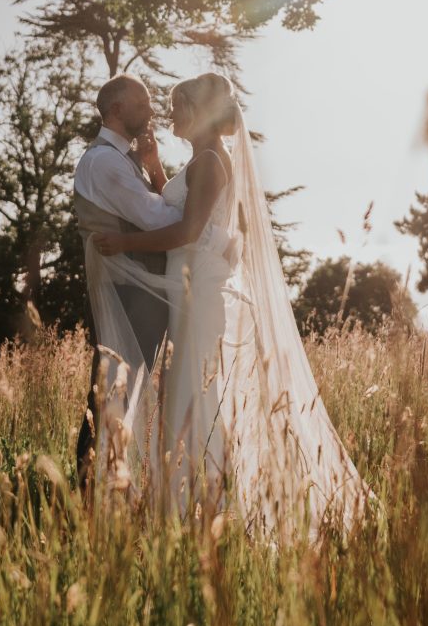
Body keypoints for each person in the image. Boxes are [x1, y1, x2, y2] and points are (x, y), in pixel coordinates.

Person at [92, 73, 366, 535]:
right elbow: (180, 211)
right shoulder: (202, 160)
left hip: (199, 300)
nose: (170, 113)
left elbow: (186, 233)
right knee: (185, 400)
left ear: (197, 112)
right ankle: (188, 509)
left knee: (192, 402)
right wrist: (156, 168)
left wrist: (122, 242)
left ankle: (200, 511)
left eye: (178, 106)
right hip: (189, 296)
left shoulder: (210, 162)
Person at [70, 74, 179, 490]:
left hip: (136, 290)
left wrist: (152, 165)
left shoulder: (121, 158)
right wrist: (204, 220)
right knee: (109, 397)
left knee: (121, 398)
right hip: (128, 293)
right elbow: (156, 217)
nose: (150, 110)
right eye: (142, 102)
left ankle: (105, 489)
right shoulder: (105, 161)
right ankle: (88, 493)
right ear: (116, 109)